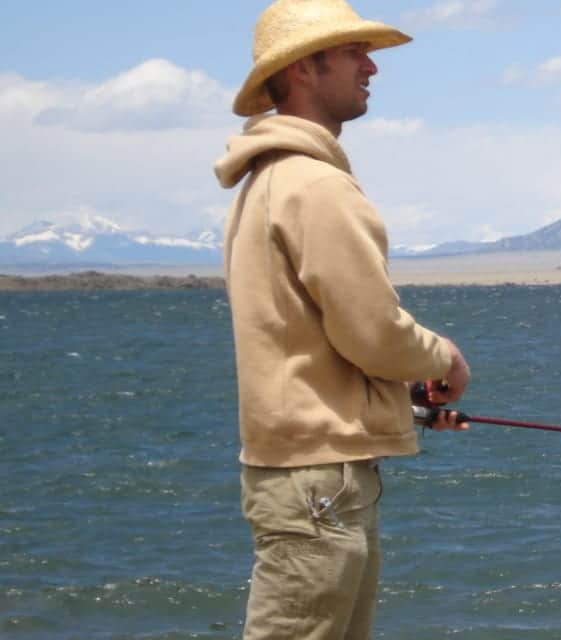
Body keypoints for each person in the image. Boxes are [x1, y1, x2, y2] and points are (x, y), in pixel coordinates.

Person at [213, 1, 469, 637]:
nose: (371, 66)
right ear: (304, 68)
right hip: (318, 485)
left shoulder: (269, 181)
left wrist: (397, 391)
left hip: (303, 476)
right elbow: (372, 331)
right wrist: (444, 360)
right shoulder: (314, 184)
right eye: (354, 51)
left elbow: (315, 335)